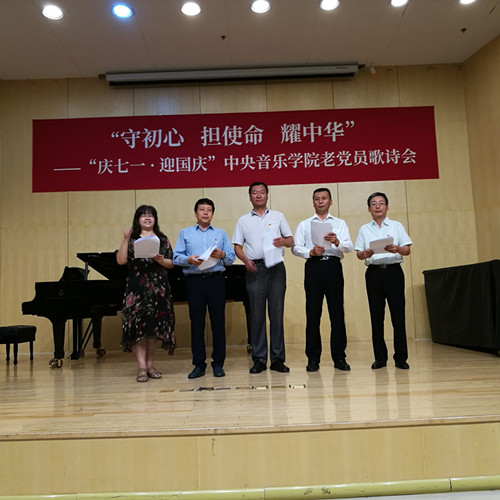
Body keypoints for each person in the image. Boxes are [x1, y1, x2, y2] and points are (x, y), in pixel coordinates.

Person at [232, 181, 294, 374]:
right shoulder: (243, 220)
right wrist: (246, 261)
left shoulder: (278, 216)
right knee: (257, 315)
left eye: (261, 192)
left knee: (276, 314)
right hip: (255, 268)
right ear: (250, 197)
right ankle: (259, 359)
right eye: (254, 193)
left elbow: (291, 240)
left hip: (276, 268)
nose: (258, 195)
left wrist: (283, 241)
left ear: (267, 195)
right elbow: (237, 246)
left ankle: (277, 359)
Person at [173, 198, 236, 379]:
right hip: (194, 282)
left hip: (216, 281)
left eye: (209, 210)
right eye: (202, 209)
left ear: (212, 214)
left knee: (218, 323)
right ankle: (199, 364)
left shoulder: (220, 233)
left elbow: (231, 258)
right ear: (196, 213)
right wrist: (189, 259)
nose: (205, 213)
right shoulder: (185, 233)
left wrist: (222, 254)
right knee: (197, 323)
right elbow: (176, 257)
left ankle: (218, 364)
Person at [292, 187, 353, 372]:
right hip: (314, 267)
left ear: (330, 201)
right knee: (313, 314)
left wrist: (336, 242)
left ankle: (339, 358)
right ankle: (313, 359)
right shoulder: (305, 224)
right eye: (317, 199)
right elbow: (295, 247)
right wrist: (310, 252)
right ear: (313, 202)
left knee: (337, 313)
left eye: (324, 198)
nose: (320, 201)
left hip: (333, 267)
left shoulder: (340, 223)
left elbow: (349, 247)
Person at [116, 205, 176, 382]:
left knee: (152, 328)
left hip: (158, 288)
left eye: (151, 215)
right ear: (138, 219)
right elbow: (121, 260)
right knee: (138, 328)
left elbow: (171, 263)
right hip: (137, 289)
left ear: (155, 219)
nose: (147, 218)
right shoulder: (132, 238)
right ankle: (141, 367)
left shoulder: (162, 239)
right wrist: (126, 238)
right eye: (143, 215)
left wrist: (161, 260)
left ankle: (150, 365)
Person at [354, 192, 412, 370]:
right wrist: (364, 253)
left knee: (398, 316)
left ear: (387, 207)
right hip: (373, 274)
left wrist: (397, 249)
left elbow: (407, 250)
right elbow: (358, 254)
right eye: (373, 203)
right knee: (376, 316)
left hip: (393, 272)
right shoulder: (364, 229)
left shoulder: (396, 226)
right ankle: (380, 357)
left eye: (381, 203)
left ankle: (401, 357)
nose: (377, 206)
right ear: (369, 209)